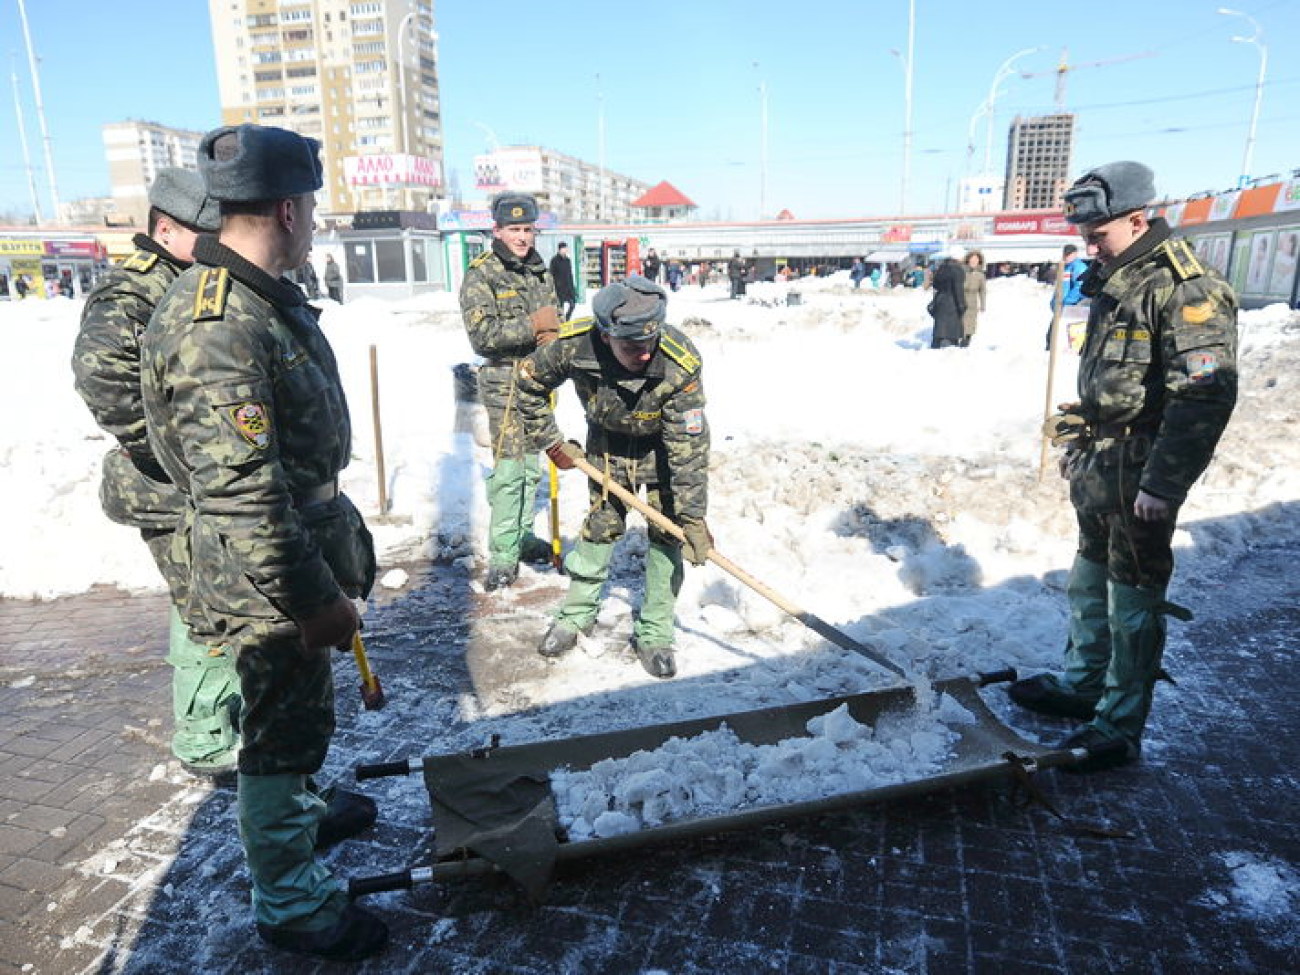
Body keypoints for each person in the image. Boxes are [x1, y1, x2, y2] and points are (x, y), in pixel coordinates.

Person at [140, 124, 386, 960]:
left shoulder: (252, 295)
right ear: (286, 207)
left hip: (290, 548)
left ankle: (302, 821)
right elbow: (243, 493)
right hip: (269, 577)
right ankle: (291, 900)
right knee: (280, 738)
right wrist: (316, 599)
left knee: (297, 720)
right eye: (310, 206)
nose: (313, 221)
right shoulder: (219, 321)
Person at [1010, 161, 1238, 773]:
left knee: (1133, 595)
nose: (1089, 244)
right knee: (1089, 579)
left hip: (1142, 466)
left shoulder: (1182, 287)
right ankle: (1083, 686)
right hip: (1101, 461)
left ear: (1138, 219)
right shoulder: (1116, 276)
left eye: (1099, 233)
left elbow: (1205, 394)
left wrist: (1164, 484)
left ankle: (1119, 724)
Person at [72, 168, 242, 781]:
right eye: (204, 231)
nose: (216, 240)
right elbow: (102, 379)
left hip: (197, 483)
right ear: (164, 229)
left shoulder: (195, 280)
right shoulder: (135, 292)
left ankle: (220, 720)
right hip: (167, 489)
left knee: (210, 599)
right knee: (203, 606)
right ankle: (206, 742)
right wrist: (166, 452)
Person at [514, 276, 711, 680]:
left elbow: (688, 449)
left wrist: (691, 517)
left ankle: (656, 632)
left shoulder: (680, 362)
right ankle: (576, 615)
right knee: (600, 527)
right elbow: (528, 382)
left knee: (667, 533)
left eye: (648, 343)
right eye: (630, 347)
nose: (643, 354)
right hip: (606, 446)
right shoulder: (574, 345)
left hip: (662, 449)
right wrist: (552, 443)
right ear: (605, 336)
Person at [459, 192, 561, 590]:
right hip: (504, 381)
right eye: (514, 229)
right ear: (496, 230)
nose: (522, 237)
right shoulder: (482, 273)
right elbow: (482, 337)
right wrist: (535, 326)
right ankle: (503, 553)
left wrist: (555, 342)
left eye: (528, 229)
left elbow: (552, 322)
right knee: (510, 469)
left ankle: (521, 536)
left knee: (533, 466)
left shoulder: (540, 272)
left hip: (539, 381)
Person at [1045, 243, 1091, 350]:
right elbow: (1060, 287)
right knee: (1052, 336)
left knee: (1068, 335)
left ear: (1075, 254)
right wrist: (1054, 302)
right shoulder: (1064, 267)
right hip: (1061, 307)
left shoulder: (1079, 267)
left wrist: (1068, 302)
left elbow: (1080, 287)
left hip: (1073, 308)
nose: (1066, 257)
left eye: (1069, 254)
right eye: (1065, 254)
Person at [927, 250, 966, 349]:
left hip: (940, 300)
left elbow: (935, 284)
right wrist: (962, 305)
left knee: (939, 331)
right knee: (953, 332)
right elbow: (958, 289)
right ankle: (952, 352)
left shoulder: (942, 268)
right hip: (952, 303)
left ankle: (934, 349)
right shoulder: (958, 270)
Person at [960, 250, 987, 347]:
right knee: (961, 322)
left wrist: (983, 304)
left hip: (973, 301)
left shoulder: (980, 275)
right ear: (968, 260)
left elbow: (983, 290)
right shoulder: (962, 272)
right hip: (961, 299)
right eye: (972, 259)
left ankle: (967, 341)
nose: (974, 262)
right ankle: (960, 340)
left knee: (971, 323)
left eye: (976, 260)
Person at [549, 241, 577, 321]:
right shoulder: (554, 260)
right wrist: (554, 287)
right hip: (559, 288)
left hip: (568, 287)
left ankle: (567, 318)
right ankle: (562, 322)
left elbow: (570, 274)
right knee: (561, 308)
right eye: (564, 248)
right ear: (560, 249)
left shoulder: (568, 260)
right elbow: (551, 275)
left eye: (566, 248)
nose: (566, 250)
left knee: (572, 304)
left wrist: (572, 288)